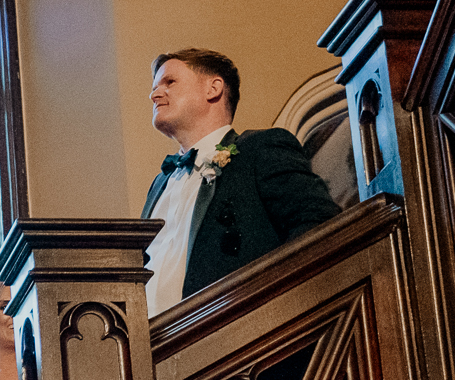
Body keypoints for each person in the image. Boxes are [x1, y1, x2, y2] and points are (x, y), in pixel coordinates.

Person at [142, 49, 341, 316]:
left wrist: (272, 309)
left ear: (213, 88)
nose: (155, 94)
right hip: (152, 346)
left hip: (235, 336)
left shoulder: (260, 150)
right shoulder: (160, 183)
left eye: (169, 82)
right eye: (155, 87)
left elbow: (318, 225)